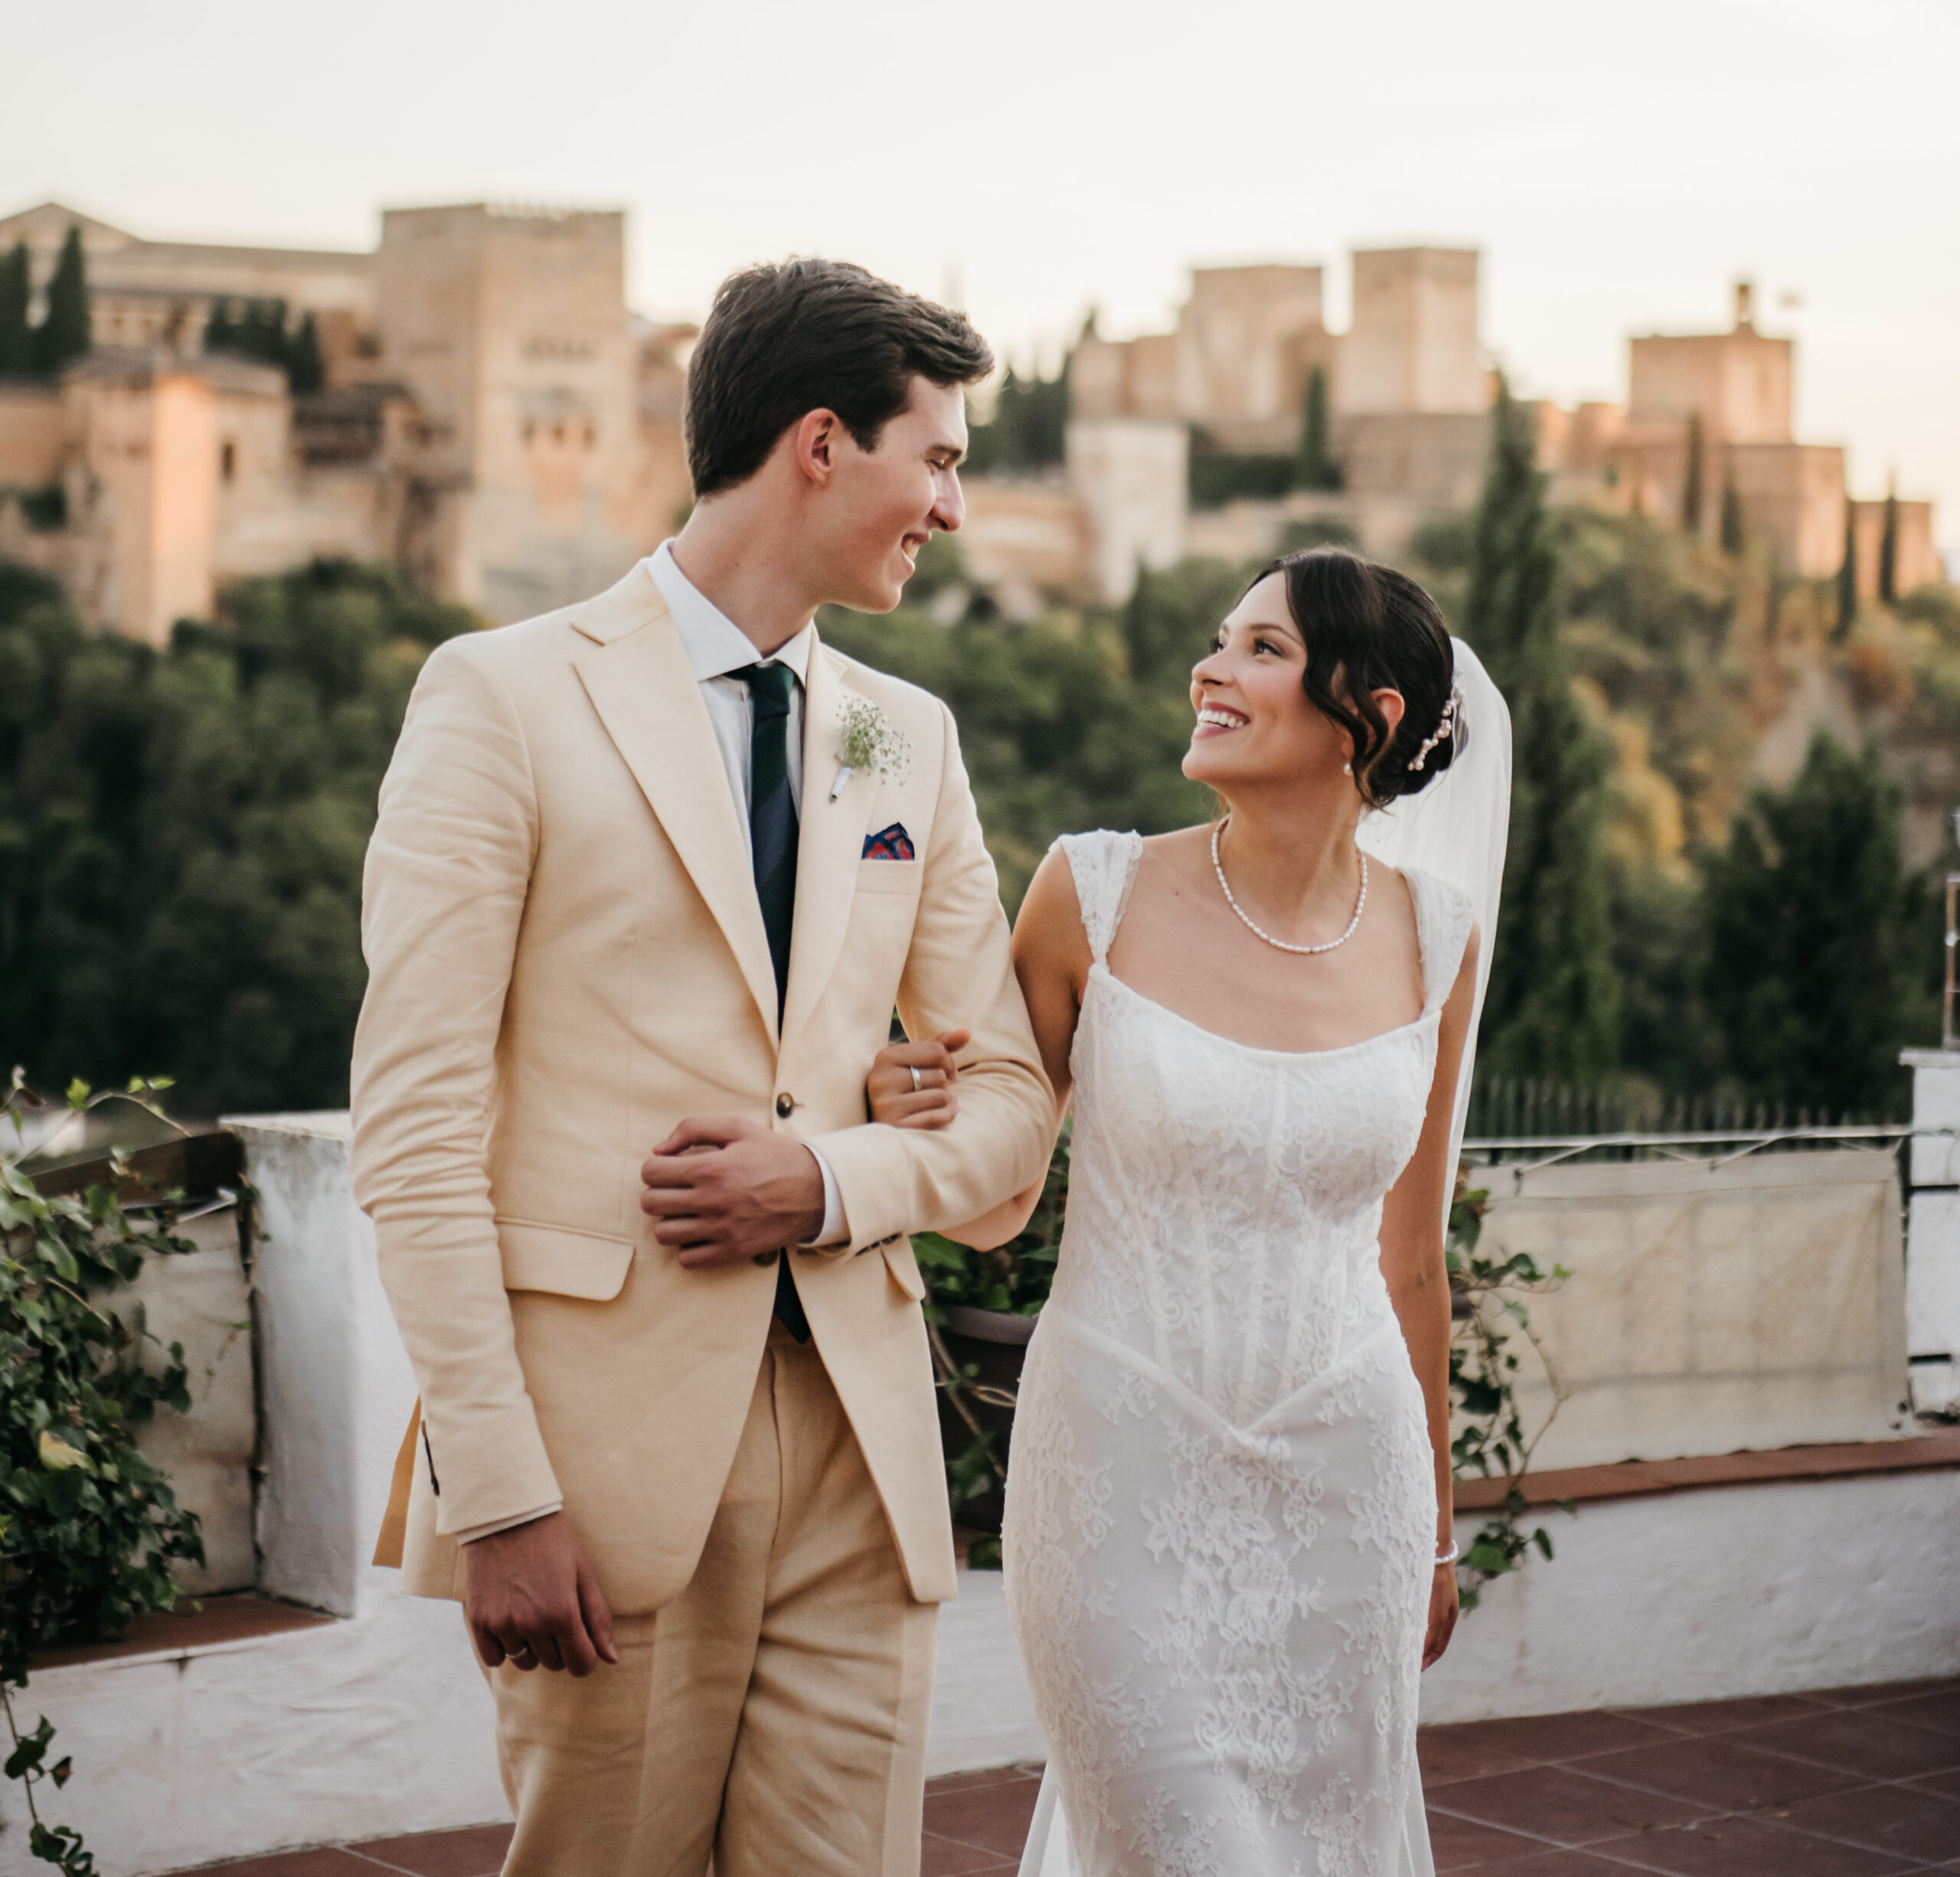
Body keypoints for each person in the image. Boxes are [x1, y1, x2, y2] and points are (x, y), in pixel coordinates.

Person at [351, 258, 1054, 1877]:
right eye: (933, 456)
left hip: (861, 1459)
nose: (949, 502)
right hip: (599, 1462)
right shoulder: (500, 696)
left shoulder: (905, 739)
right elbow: (416, 1132)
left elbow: (1008, 1115)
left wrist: (826, 1175)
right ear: (820, 443)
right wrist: (500, 1493)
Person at [871, 550, 1511, 1875]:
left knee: (1330, 1841)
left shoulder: (1435, 938)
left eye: (1263, 650)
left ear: (1371, 718)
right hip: (1118, 1469)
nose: (1208, 672)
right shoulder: (1089, 893)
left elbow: (1410, 1260)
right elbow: (997, 1197)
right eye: (1222, 642)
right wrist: (909, 1107)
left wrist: (1437, 1535)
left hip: (1353, 1488)